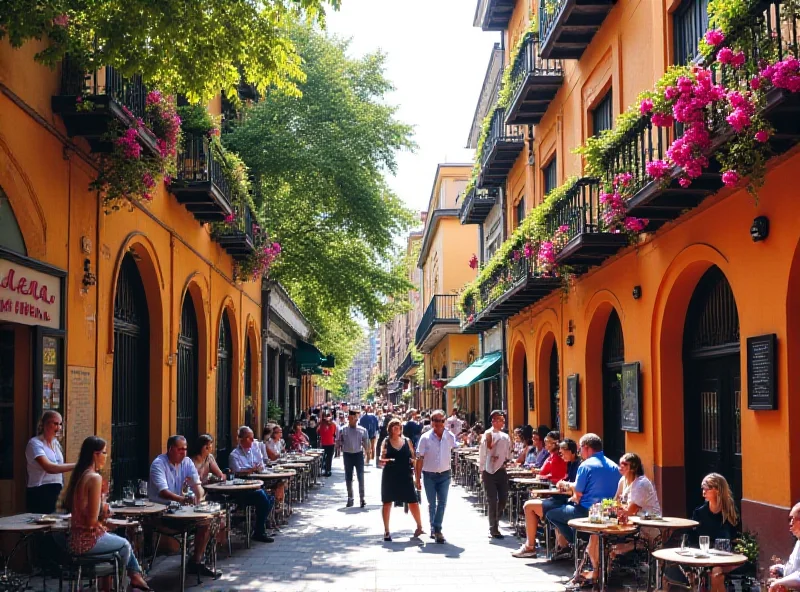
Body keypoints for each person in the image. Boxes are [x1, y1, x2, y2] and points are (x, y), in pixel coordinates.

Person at [62, 436, 151, 591]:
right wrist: (104, 510)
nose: (106, 457)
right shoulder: (94, 478)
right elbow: (91, 522)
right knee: (124, 546)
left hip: (75, 539)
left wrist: (106, 520)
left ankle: (130, 579)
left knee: (117, 540)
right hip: (85, 542)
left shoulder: (81, 475)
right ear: (95, 454)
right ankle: (124, 583)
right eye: (104, 453)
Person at [546, 432, 620, 582]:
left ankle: (576, 541)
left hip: (586, 512)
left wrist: (566, 486)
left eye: (580, 449)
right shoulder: (614, 465)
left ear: (586, 448)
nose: (579, 452)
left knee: (551, 513)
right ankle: (582, 542)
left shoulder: (585, 465)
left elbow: (578, 492)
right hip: (609, 513)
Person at [148, 435, 220, 577]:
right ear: (170, 449)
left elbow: (197, 485)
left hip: (181, 510)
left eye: (185, 449)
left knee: (208, 521)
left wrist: (199, 499)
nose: (184, 453)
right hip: (163, 512)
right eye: (180, 449)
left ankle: (197, 561)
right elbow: (163, 492)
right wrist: (183, 499)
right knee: (202, 522)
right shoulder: (158, 464)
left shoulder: (187, 462)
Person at [586, 452, 661, 570]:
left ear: (633, 467)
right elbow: (615, 502)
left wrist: (615, 508)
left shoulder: (641, 484)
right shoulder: (623, 480)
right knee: (595, 536)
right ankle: (597, 571)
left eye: (624, 464)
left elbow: (631, 510)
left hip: (645, 528)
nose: (620, 467)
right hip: (629, 524)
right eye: (619, 464)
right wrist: (603, 507)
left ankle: (598, 573)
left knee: (600, 539)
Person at [512, 437, 579, 559]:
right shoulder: (570, 464)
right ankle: (560, 545)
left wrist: (563, 485)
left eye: (563, 453)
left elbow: (576, 488)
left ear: (572, 452)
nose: (562, 455)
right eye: (560, 453)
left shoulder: (578, 466)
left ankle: (530, 547)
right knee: (529, 504)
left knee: (529, 507)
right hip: (559, 499)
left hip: (565, 501)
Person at [415, 409, 457, 544]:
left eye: (441, 421)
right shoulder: (425, 438)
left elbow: (455, 449)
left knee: (442, 503)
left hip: (445, 474)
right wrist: (417, 478)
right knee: (432, 503)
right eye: (436, 421)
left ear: (445, 422)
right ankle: (434, 529)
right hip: (429, 475)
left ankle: (437, 528)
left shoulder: (450, 436)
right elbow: (419, 458)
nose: (439, 423)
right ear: (432, 422)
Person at [227, 426, 276, 543]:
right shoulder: (234, 455)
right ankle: (259, 530)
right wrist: (251, 469)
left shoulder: (253, 450)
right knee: (262, 497)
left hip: (254, 483)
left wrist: (255, 468)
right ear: (242, 439)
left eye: (253, 438)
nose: (252, 441)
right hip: (240, 489)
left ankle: (259, 526)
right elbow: (237, 470)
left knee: (270, 497)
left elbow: (260, 464)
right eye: (250, 438)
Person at [379, 418, 424, 541]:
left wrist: (416, 477)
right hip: (390, 475)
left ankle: (420, 527)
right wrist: (388, 460)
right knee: (387, 502)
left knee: (413, 501)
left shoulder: (407, 441)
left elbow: (414, 458)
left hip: (405, 474)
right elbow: (381, 459)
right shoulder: (386, 442)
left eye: (398, 426)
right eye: (394, 426)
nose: (396, 428)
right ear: (390, 429)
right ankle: (387, 531)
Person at [26, 411, 75, 513]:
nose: (58, 428)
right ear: (44, 424)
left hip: (57, 490)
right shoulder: (34, 443)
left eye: (60, 424)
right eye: (55, 424)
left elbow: (60, 467)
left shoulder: (56, 443)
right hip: (40, 491)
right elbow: (49, 467)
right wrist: (78, 465)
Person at [479, 410, 512, 539]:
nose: (501, 422)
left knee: (503, 499)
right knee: (492, 499)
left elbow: (508, 452)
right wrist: (482, 469)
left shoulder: (505, 436)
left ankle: (495, 518)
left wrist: (508, 461)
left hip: (501, 470)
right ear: (493, 421)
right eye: (498, 419)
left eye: (503, 420)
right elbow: (483, 452)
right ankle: (494, 528)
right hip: (489, 471)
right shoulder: (488, 434)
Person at [337, 409, 370, 508]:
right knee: (348, 477)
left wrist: (368, 454)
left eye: (356, 418)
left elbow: (366, 444)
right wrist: (338, 445)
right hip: (347, 455)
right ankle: (350, 497)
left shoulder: (362, 430)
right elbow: (338, 441)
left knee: (361, 477)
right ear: (348, 418)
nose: (354, 420)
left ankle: (362, 498)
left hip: (358, 455)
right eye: (352, 418)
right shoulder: (343, 430)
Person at [768, 503, 800, 592]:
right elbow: (795, 569)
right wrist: (781, 569)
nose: (790, 523)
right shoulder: (798, 541)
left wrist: (778, 583)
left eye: (792, 519)